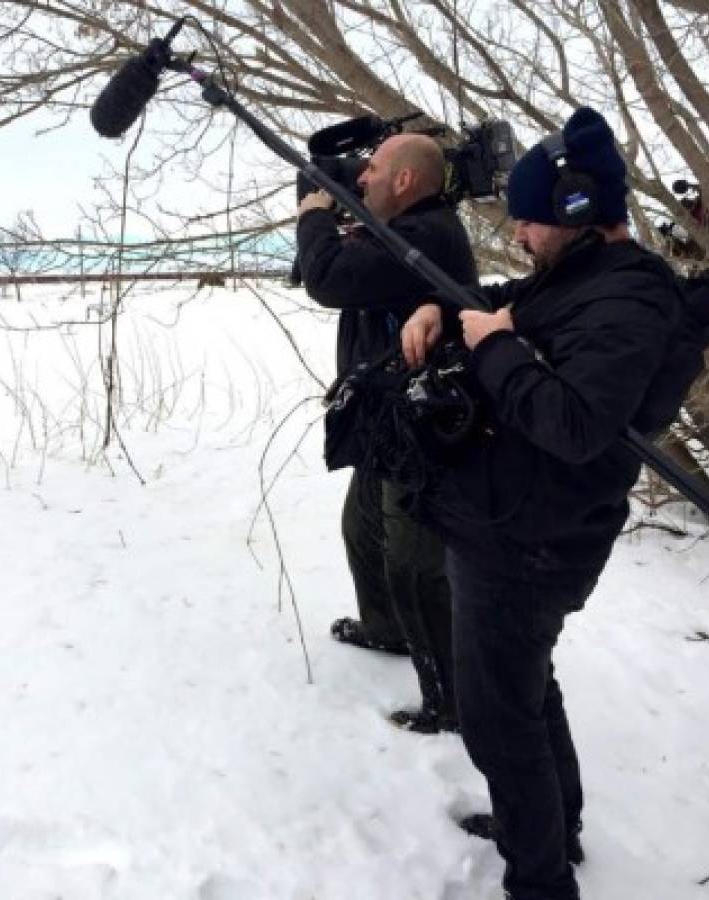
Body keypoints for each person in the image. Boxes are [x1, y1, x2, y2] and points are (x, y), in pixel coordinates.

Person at [399, 107, 682, 899]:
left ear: (579, 214)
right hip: (507, 520)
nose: (517, 236)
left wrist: (492, 345)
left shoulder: (629, 300)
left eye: (528, 222)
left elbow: (574, 423)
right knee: (526, 687)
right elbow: (519, 298)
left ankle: (540, 878)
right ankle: (558, 827)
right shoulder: (583, 276)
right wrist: (442, 307)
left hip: (529, 543)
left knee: (497, 719)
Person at [296, 133, 479, 734]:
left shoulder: (426, 234)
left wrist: (314, 212)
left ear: (404, 181)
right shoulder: (397, 232)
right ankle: (387, 630)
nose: (362, 177)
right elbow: (314, 271)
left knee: (413, 564)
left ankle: (451, 698)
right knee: (362, 531)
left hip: (422, 431)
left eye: (372, 168)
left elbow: (328, 281)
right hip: (385, 417)